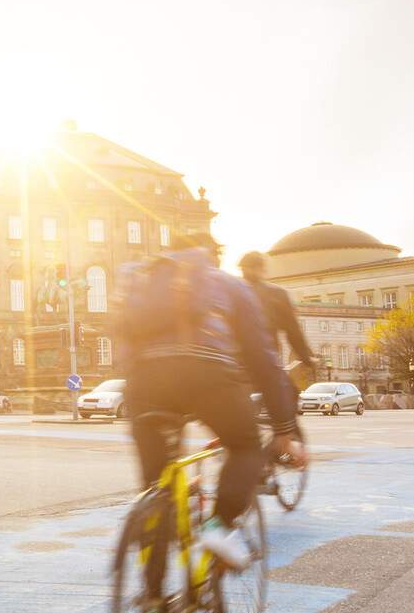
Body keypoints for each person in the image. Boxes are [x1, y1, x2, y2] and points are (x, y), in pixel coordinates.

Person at [116, 234, 306, 574]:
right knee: (246, 446)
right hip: (207, 375)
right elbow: (263, 360)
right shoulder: (229, 286)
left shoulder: (143, 281)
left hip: (145, 383)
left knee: (156, 490)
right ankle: (219, 527)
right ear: (210, 255)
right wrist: (283, 427)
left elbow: (123, 340)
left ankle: (156, 610)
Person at [239, 250, 315, 385]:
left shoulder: (230, 290)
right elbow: (293, 330)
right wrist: (306, 358)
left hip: (236, 362)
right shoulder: (276, 294)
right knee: (284, 399)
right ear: (261, 268)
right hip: (266, 360)